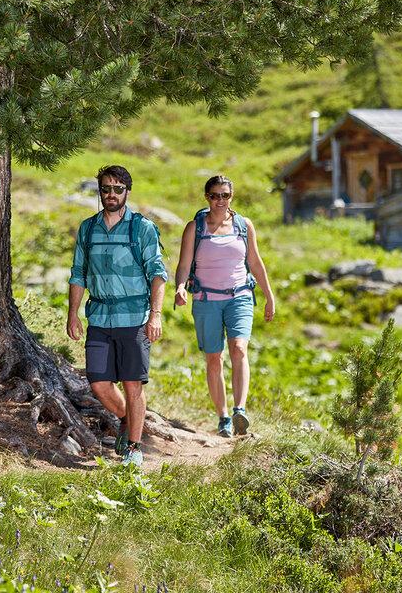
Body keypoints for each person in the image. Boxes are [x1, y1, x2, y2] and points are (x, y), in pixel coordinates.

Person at [67, 165, 167, 467]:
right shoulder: (88, 228)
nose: (111, 194)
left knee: (132, 383)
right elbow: (78, 274)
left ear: (127, 191)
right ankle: (128, 418)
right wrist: (73, 314)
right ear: (100, 191)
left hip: (135, 317)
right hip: (98, 317)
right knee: (99, 383)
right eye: (106, 188)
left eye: (117, 188)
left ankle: (134, 448)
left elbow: (158, 275)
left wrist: (156, 315)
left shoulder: (142, 228)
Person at [174, 175, 274, 437]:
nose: (220, 200)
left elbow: (255, 262)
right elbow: (184, 264)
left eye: (225, 195)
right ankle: (224, 417)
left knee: (239, 349)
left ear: (232, 197)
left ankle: (240, 409)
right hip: (206, 299)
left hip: (239, 296)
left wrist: (269, 296)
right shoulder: (194, 228)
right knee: (214, 359)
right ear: (207, 197)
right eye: (215, 195)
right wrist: (180, 286)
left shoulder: (243, 225)